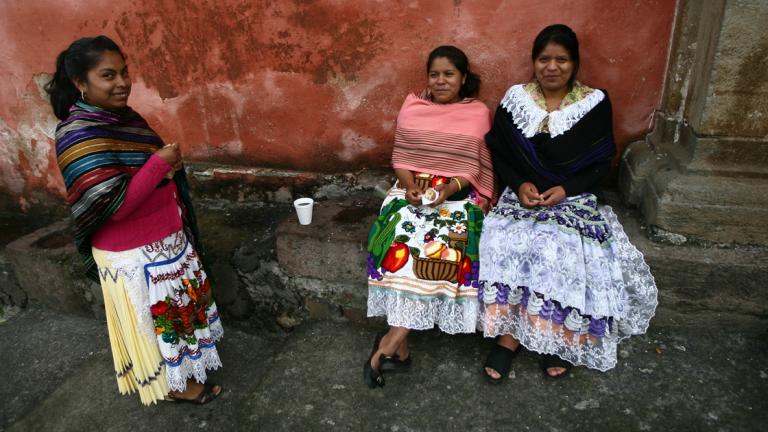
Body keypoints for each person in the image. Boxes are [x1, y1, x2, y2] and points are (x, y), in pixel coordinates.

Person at [46, 36, 224, 404]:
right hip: (134, 254)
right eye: (108, 75)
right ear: (82, 83)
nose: (122, 82)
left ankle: (184, 369)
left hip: (164, 240)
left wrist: (165, 170)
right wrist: (160, 162)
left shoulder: (124, 119)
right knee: (155, 325)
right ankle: (173, 385)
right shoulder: (77, 133)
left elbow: (142, 177)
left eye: (124, 73)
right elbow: (116, 202)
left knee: (176, 315)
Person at [479, 24, 657, 382]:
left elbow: (600, 162)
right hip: (524, 195)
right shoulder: (516, 100)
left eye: (562, 59)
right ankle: (510, 335)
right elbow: (499, 151)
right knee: (507, 237)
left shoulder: (593, 103)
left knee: (560, 245)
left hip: (572, 195)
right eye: (544, 59)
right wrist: (520, 182)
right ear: (534, 62)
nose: (552, 67)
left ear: (574, 64)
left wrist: (567, 189)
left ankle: (551, 337)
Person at [364, 46, 495, 388]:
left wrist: (445, 191)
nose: (441, 81)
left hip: (457, 195)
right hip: (412, 190)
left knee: (447, 250)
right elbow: (402, 158)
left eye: (449, 74)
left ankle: (390, 343)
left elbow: (472, 167)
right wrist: (410, 188)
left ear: (464, 78)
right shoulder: (413, 107)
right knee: (396, 241)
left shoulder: (477, 112)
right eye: (434, 74)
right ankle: (399, 345)